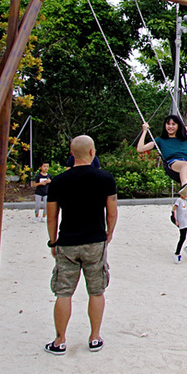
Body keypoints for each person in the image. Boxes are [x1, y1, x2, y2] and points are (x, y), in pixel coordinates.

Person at [45, 135, 118, 355]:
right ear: (92, 152)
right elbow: (112, 211)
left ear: (71, 153)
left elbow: (51, 217)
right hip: (95, 240)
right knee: (96, 291)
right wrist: (109, 233)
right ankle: (94, 337)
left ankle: (60, 340)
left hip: (67, 241)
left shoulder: (58, 181)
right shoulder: (105, 178)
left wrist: (53, 241)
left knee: (64, 292)